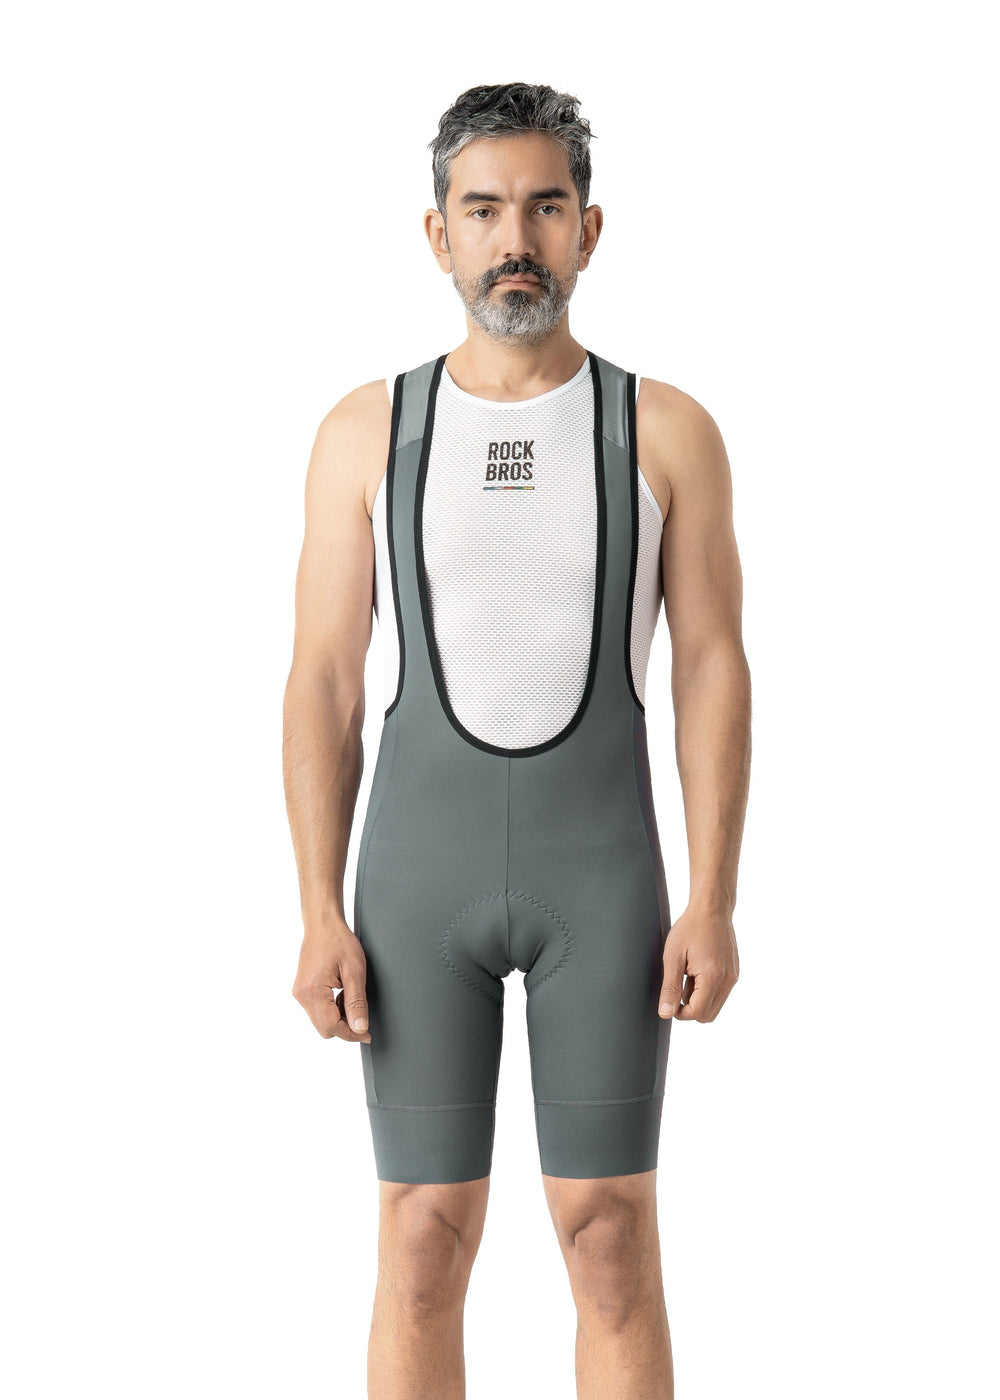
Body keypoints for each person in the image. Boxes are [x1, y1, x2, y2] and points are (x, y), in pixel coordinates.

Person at [282, 81, 750, 1400]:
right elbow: (323, 680)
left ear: (589, 230)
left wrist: (714, 898)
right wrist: (316, 909)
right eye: (483, 210)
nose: (515, 241)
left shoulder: (664, 430)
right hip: (414, 883)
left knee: (609, 1240)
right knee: (421, 1243)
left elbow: (713, 668)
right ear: (438, 234)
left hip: (601, 879)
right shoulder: (366, 431)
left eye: (545, 207)